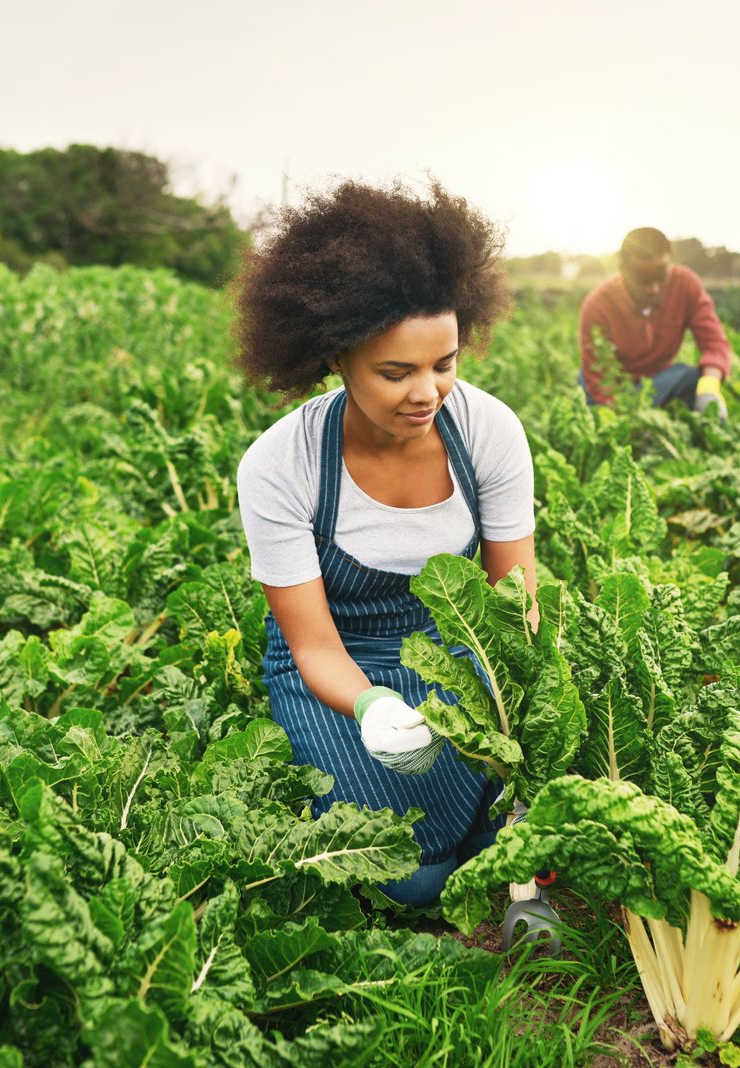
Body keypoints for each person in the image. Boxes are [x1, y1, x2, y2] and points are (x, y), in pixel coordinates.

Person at [233, 181, 537, 907]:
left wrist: (523, 708)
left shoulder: (490, 432)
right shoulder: (282, 464)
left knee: (518, 836)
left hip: (454, 649)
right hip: (340, 666)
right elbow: (310, 646)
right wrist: (371, 706)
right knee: (408, 874)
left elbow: (515, 597)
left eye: (445, 364)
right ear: (337, 357)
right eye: (395, 373)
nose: (427, 392)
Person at [579, 227, 733, 418]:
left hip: (658, 381)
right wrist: (624, 419)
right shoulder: (597, 305)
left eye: (661, 278)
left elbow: (714, 343)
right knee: (593, 409)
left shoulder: (686, 284)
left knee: (692, 379)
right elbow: (600, 379)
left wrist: (709, 388)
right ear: (623, 270)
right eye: (643, 281)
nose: (654, 289)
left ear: (671, 264)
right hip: (614, 386)